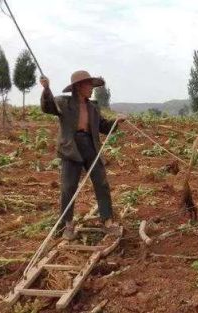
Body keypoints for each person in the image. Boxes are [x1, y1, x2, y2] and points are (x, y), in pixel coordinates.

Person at [40, 70, 124, 240]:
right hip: (71, 147)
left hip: (91, 145)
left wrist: (116, 121)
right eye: (88, 85)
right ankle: (67, 224)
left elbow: (103, 126)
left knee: (101, 183)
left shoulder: (93, 107)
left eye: (92, 85)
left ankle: (107, 221)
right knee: (68, 187)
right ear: (78, 87)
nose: (91, 88)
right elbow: (48, 107)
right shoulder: (64, 103)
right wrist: (46, 88)